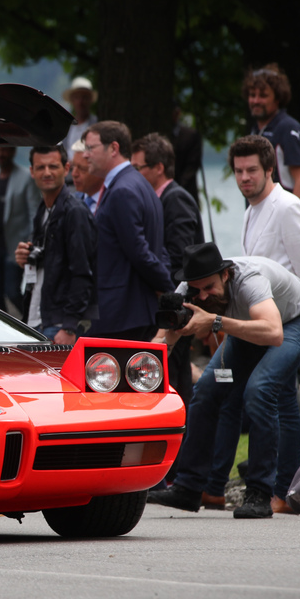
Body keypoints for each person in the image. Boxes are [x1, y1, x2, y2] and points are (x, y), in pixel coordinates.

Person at [147, 244, 300, 518]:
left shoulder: (249, 280)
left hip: (296, 322)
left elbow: (274, 333)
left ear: (225, 275)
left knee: (259, 390)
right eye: (197, 290)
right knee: (204, 390)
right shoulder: (188, 289)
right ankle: (188, 487)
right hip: (249, 326)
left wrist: (215, 321)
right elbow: (163, 339)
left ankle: (260, 493)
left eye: (209, 287)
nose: (202, 295)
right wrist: (143, 369)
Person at [201, 135, 300, 511]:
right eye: (238, 171)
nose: (244, 178)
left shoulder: (287, 206)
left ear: (270, 169)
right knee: (271, 397)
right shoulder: (251, 209)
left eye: (252, 170)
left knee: (275, 399)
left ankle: (281, 488)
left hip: (291, 318)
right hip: (264, 316)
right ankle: (254, 487)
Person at [83, 121, 171, 340]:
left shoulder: (122, 191)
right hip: (132, 313)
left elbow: (140, 252)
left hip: (121, 315)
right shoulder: (139, 184)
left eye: (90, 148)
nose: (85, 155)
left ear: (113, 148)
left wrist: (171, 291)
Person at [132, 133, 203, 402]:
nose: (134, 175)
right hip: (171, 303)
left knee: (173, 376)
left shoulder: (175, 199)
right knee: (176, 375)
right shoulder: (160, 199)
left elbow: (181, 257)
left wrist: (162, 290)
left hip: (176, 303)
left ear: (159, 168)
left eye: (138, 168)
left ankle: (181, 434)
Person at [13, 145, 97, 343]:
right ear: (32, 172)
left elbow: (83, 273)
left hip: (58, 325)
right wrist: (25, 258)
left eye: (53, 166)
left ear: (66, 169)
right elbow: (49, 263)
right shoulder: (43, 210)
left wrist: (69, 327)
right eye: (41, 168)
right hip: (37, 319)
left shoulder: (75, 212)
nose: (47, 173)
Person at [0, 146, 41, 315]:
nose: (0, 154)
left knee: (12, 292)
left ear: (12, 151)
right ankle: (3, 333)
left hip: (15, 246)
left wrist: (31, 244)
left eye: (3, 150)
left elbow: (35, 214)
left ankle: (32, 323)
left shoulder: (26, 178)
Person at [245, 63, 300, 208]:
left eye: (263, 95)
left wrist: (292, 220)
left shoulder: (288, 128)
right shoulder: (255, 131)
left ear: (278, 98)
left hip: (282, 219)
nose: (256, 101)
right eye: (252, 95)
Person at [171, 102, 203, 202]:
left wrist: (177, 188)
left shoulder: (190, 135)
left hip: (187, 191)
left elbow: (193, 165)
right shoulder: (161, 134)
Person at [61, 77, 98, 151]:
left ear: (90, 100)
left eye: (84, 97)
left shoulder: (97, 125)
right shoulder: (65, 126)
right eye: (77, 97)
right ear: (72, 100)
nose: (80, 102)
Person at [69, 140, 102, 214]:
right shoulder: (70, 204)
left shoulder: (113, 202)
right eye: (73, 167)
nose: (74, 174)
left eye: (82, 169)